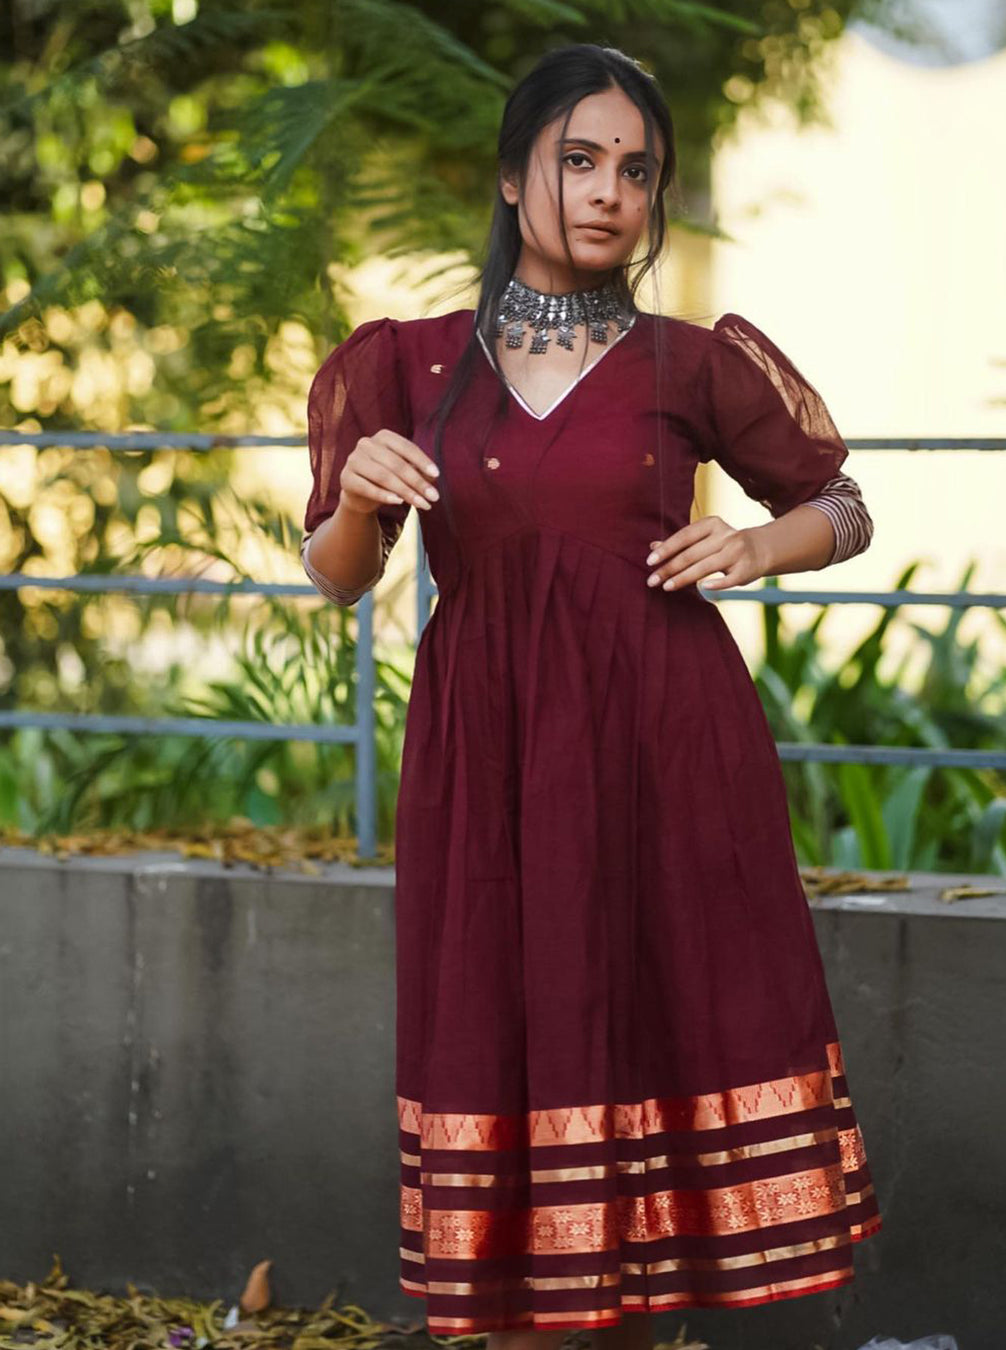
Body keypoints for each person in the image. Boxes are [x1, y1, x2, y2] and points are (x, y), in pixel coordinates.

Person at [301, 41, 882, 1350]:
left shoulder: (690, 364)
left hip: (665, 745)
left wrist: (755, 545)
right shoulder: (405, 366)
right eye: (579, 160)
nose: (611, 190)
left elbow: (843, 504)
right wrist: (357, 504)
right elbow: (337, 578)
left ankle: (629, 1315)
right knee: (500, 1024)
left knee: (659, 1012)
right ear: (513, 178)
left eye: (637, 169)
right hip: (489, 758)